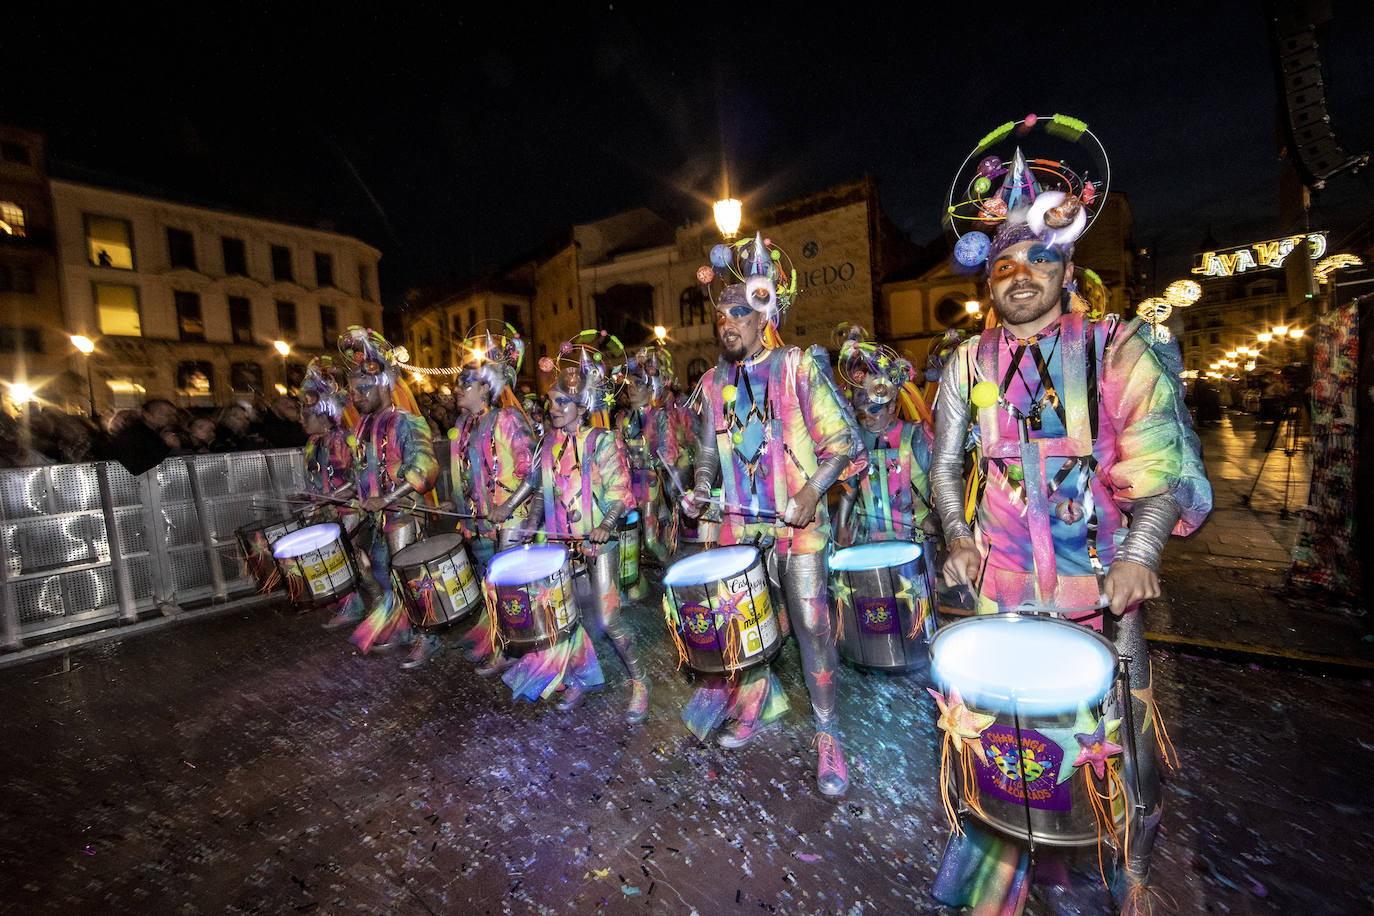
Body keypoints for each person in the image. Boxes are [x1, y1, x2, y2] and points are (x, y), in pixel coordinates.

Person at [930, 137, 1212, 913]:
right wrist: (957, 534)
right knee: (997, 743)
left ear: (1066, 267)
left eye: (1037, 260)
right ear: (988, 275)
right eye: (1003, 264)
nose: (1019, 277)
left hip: (1099, 598)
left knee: (1129, 759)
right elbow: (946, 466)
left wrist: (1140, 551)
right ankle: (1001, 851)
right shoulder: (965, 363)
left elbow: (1160, 466)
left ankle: (1135, 874)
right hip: (1003, 592)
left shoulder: (1117, 346)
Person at [681, 235, 866, 797]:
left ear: (766, 314)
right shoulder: (713, 385)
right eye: (721, 313)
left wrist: (811, 492)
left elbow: (845, 442)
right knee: (746, 622)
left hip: (800, 530)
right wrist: (701, 490)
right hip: (741, 528)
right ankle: (753, 705)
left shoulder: (798, 367)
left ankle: (828, 736)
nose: (727, 323)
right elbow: (709, 457)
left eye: (740, 311)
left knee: (810, 627)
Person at [498, 332, 648, 722]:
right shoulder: (546, 445)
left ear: (581, 406)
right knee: (569, 618)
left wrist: (606, 526)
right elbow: (537, 494)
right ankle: (581, 678)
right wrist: (529, 525)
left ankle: (640, 681)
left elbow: (620, 493)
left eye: (561, 402)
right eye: (551, 402)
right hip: (561, 547)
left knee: (608, 620)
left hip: (599, 545)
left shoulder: (602, 441)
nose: (553, 409)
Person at [337, 327, 440, 669]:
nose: (356, 396)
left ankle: (428, 638)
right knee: (381, 570)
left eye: (363, 388)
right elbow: (361, 474)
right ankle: (402, 628)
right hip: (379, 517)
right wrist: (341, 493)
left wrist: (388, 497)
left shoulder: (407, 422)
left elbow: (425, 468)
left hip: (405, 513)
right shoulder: (362, 429)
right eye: (352, 391)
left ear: (385, 385)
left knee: (411, 576)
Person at [446, 326, 538, 675]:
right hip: (477, 521)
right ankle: (499, 639)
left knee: (507, 587)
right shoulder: (462, 425)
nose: (457, 389)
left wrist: (508, 507)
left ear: (486, 387)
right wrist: (455, 505)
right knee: (490, 586)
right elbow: (465, 475)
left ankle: (514, 648)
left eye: (465, 383)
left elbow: (532, 472)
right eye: (457, 382)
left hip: (509, 519)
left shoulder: (509, 419)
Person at [832, 328, 935, 548]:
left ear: (891, 406)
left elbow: (941, 481)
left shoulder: (918, 436)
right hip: (870, 538)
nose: (868, 419)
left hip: (916, 535)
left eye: (874, 410)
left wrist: (936, 518)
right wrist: (842, 525)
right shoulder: (856, 441)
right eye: (862, 413)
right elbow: (849, 488)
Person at [612, 344, 692, 595]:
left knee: (648, 537)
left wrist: (647, 458)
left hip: (649, 483)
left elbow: (669, 452)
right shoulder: (623, 418)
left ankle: (675, 572)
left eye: (638, 386)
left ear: (650, 390)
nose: (632, 391)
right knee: (627, 535)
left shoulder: (658, 416)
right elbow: (616, 449)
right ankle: (632, 583)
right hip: (627, 484)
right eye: (630, 387)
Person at [298, 357, 368, 625]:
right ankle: (345, 603)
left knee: (346, 555)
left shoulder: (342, 438)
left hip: (348, 508)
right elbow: (316, 478)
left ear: (324, 415)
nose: (303, 421)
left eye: (308, 416)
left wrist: (344, 494)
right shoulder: (312, 442)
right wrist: (310, 496)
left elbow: (358, 473)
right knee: (333, 556)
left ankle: (355, 605)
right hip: (326, 507)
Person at [111, 397, 179, 475]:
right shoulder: (133, 436)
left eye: (170, 413)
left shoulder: (166, 432)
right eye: (161, 412)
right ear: (147, 414)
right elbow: (137, 467)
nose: (166, 416)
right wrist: (165, 446)